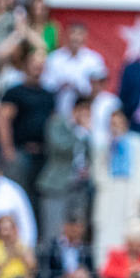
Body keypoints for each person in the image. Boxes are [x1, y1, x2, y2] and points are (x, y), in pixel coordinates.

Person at [90, 111, 140, 269]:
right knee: (108, 238)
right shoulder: (103, 147)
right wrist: (108, 151)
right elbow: (98, 176)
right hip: (110, 197)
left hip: (131, 195)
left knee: (131, 234)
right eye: (112, 124)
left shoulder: (137, 142)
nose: (115, 127)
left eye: (118, 123)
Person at [0, 44, 55, 203]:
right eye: (34, 65)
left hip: (42, 155)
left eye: (40, 66)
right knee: (17, 195)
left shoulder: (48, 94)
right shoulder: (15, 92)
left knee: (38, 199)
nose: (37, 69)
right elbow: (3, 120)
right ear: (25, 66)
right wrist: (8, 150)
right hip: (20, 152)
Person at [34, 95, 92, 245]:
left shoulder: (90, 132)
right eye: (85, 112)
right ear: (76, 110)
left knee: (77, 234)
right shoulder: (57, 123)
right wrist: (80, 133)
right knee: (53, 233)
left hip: (79, 188)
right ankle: (49, 268)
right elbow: (59, 147)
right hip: (56, 186)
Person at [42, 20, 104, 118]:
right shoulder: (54, 58)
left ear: (85, 36)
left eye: (79, 34)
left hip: (85, 114)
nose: (75, 37)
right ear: (66, 35)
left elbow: (98, 88)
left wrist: (78, 87)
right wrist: (60, 84)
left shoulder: (94, 60)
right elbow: (45, 85)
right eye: (72, 33)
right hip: (57, 111)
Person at [41, 214, 92, 278]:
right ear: (65, 227)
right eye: (73, 228)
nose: (77, 231)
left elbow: (90, 272)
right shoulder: (52, 248)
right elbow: (45, 273)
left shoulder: (85, 250)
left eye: (79, 228)